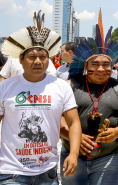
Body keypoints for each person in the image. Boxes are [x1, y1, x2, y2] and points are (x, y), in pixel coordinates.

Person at [59, 8, 118, 185]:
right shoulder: (70, 86)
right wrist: (74, 137)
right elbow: (56, 117)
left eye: (106, 64)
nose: (101, 69)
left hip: (109, 157)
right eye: (95, 64)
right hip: (72, 154)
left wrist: (117, 132)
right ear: (85, 65)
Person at [0, 11, 82, 184]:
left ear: (49, 59)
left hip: (48, 172)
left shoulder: (61, 87)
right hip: (11, 172)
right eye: (32, 57)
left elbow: (74, 123)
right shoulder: (5, 88)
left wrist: (74, 154)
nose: (38, 61)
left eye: (42, 57)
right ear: (20, 60)